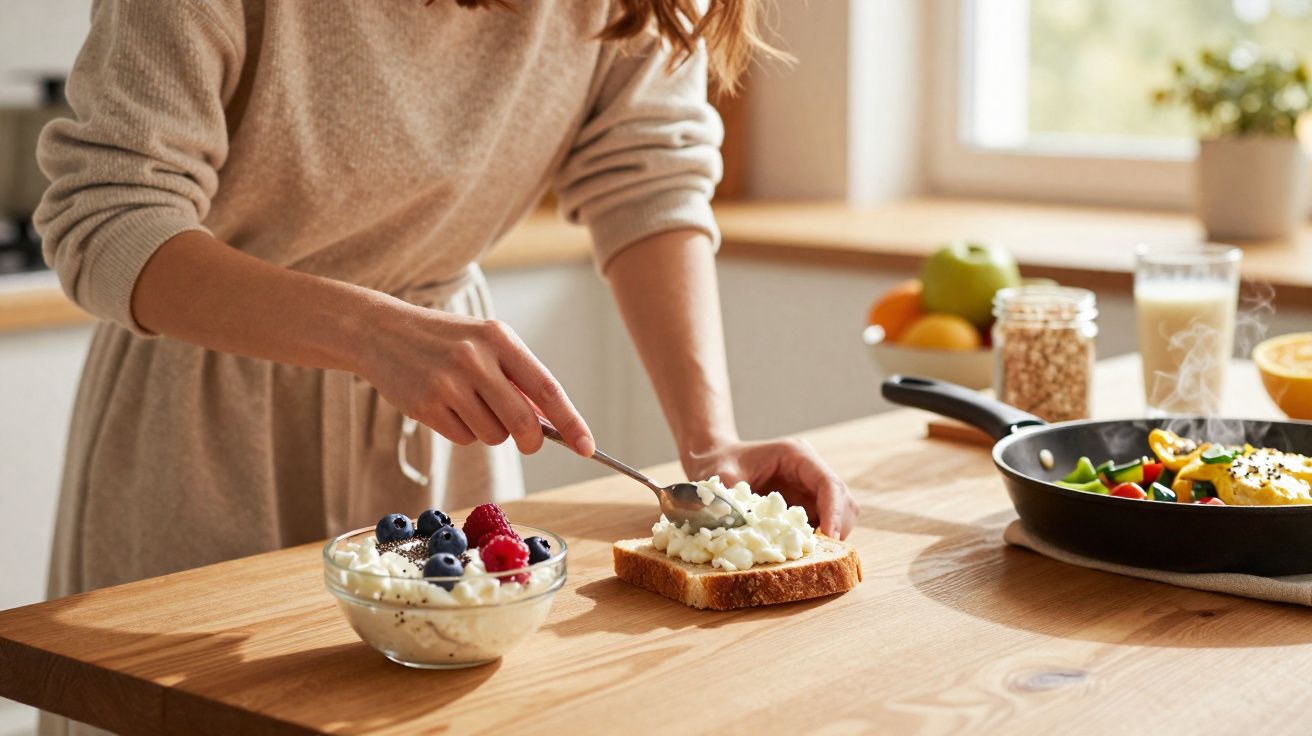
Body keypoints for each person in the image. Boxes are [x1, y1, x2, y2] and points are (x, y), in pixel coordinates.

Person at [37, 0, 859, 698]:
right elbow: (107, 215)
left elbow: (645, 173)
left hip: (446, 437)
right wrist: (369, 333)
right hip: (203, 435)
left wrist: (709, 445)